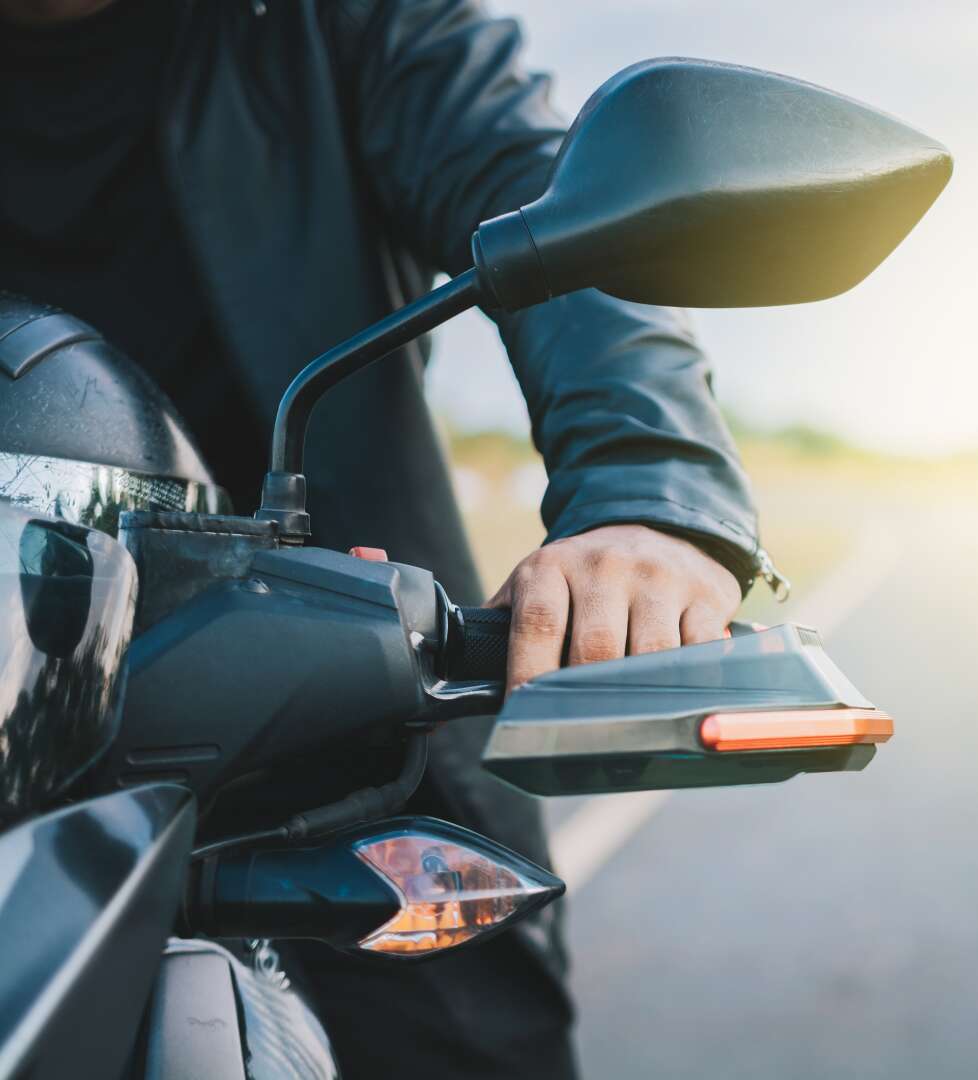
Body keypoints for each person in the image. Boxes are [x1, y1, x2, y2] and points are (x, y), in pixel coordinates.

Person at [0, 0, 771, 1076]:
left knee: (459, 1035)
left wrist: (649, 498)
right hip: (14, 726)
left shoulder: (345, 22)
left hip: (345, 730)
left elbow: (542, 199)